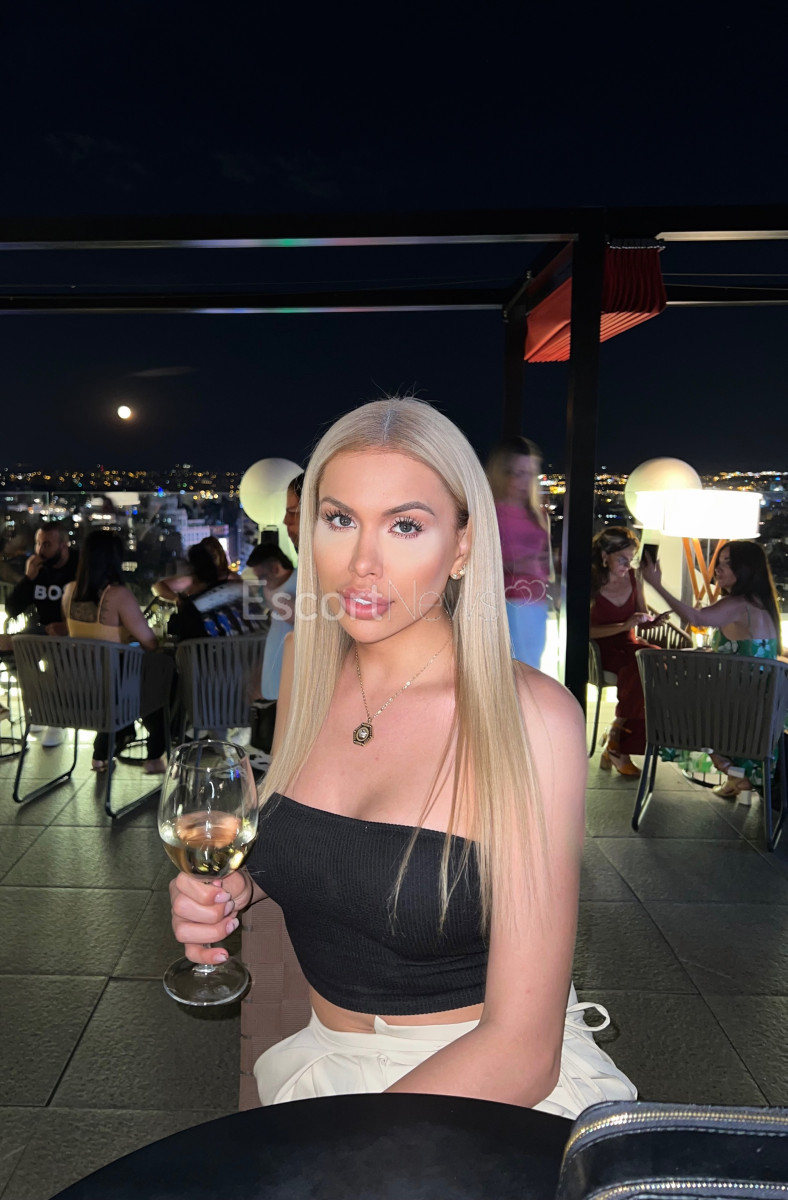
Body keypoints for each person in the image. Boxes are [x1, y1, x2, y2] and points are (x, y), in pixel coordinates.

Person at [170, 397, 635, 1116]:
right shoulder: (308, 674)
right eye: (339, 519)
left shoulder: (531, 720)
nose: (362, 563)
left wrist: (347, 1152)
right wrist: (237, 889)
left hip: (480, 1091)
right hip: (324, 1065)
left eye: (406, 525)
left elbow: (522, 1050)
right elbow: (317, 842)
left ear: (463, 545)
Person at [642, 539, 782, 798]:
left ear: (747, 569)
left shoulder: (737, 604)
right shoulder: (763, 604)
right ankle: (735, 775)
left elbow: (696, 618)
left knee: (675, 703)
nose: (718, 568)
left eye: (728, 563)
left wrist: (656, 584)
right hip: (765, 704)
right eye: (719, 561)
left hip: (737, 706)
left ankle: (729, 770)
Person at [62, 530, 167, 774]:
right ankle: (154, 754)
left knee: (125, 680)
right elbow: (150, 643)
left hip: (78, 688)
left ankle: (105, 749)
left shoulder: (69, 591)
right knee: (163, 676)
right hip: (115, 691)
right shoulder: (118, 595)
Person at [589, 526, 663, 777]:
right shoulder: (590, 582)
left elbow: (642, 613)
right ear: (604, 556)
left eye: (630, 559)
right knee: (639, 665)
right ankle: (619, 746)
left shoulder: (633, 577)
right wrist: (623, 625)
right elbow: (585, 631)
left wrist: (651, 621)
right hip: (599, 650)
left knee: (654, 657)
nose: (627, 565)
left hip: (628, 644)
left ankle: (616, 735)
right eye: (622, 559)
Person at [7, 523, 79, 747]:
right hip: (39, 628)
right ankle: (41, 707)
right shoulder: (37, 569)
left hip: (71, 631)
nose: (40, 549)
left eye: (46, 544)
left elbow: (91, 606)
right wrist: (28, 578)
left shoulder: (79, 567)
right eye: (38, 543)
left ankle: (56, 720)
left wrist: (67, 626)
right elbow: (12, 609)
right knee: (14, 653)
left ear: (63, 545)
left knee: (58, 659)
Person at [485, 436, 553, 668]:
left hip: (536, 604)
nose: (525, 481)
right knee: (511, 672)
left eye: (530, 473)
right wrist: (519, 565)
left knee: (530, 670)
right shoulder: (489, 513)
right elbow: (476, 562)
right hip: (503, 605)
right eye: (518, 473)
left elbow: (544, 561)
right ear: (501, 473)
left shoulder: (538, 515)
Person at [246, 545, 297, 702]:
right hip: (275, 659)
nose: (261, 582)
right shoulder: (270, 589)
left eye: (262, 576)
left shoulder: (301, 582)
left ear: (276, 568)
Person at [152, 536, 239, 602]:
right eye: (205, 557)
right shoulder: (195, 579)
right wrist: (178, 600)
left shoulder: (231, 579)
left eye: (213, 556)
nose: (209, 562)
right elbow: (158, 587)